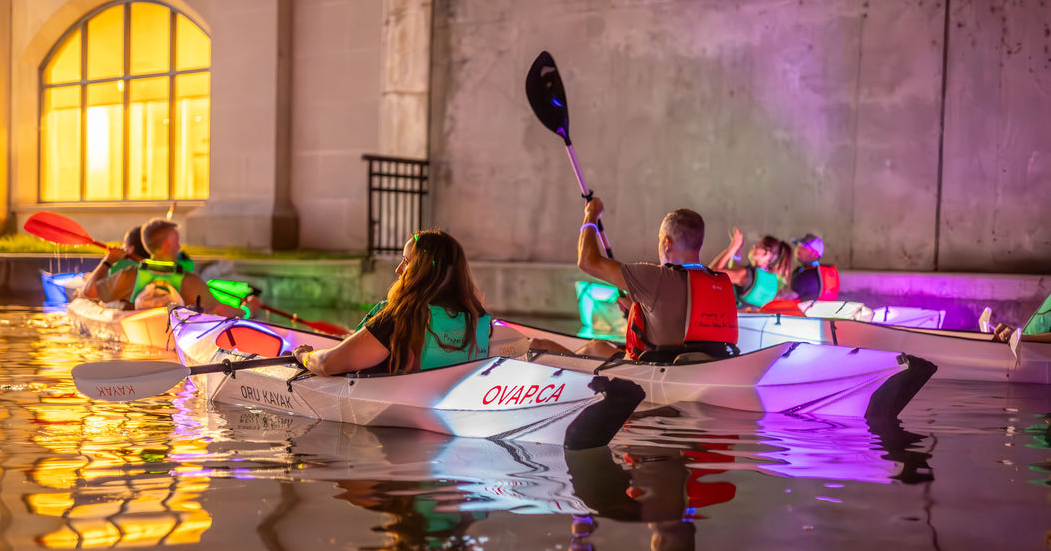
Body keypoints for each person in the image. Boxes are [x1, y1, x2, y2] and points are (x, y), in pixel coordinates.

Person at [533, 197, 738, 360]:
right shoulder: (717, 281)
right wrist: (636, 308)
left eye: (659, 240)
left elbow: (587, 261)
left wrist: (591, 214)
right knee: (598, 346)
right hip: (699, 364)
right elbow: (681, 324)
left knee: (543, 345)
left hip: (653, 369)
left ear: (666, 243)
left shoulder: (656, 277)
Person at [292, 230, 491, 375]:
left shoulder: (400, 318)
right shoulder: (478, 319)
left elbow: (327, 364)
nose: (398, 269)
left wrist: (304, 356)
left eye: (406, 261)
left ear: (421, 271)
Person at [83, 218, 256, 318]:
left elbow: (89, 292)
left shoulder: (129, 276)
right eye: (177, 241)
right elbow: (220, 311)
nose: (179, 247)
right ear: (168, 244)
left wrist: (108, 261)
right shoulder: (189, 281)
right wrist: (248, 310)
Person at [710, 227, 797, 310]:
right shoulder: (772, 280)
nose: (753, 247)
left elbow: (713, 273)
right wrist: (738, 253)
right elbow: (735, 275)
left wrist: (733, 246)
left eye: (757, 245)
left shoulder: (747, 275)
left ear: (766, 253)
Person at [789, 233, 839, 301]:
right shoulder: (818, 272)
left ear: (815, 254)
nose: (798, 250)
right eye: (797, 246)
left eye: (803, 248)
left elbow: (790, 297)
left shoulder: (807, 276)